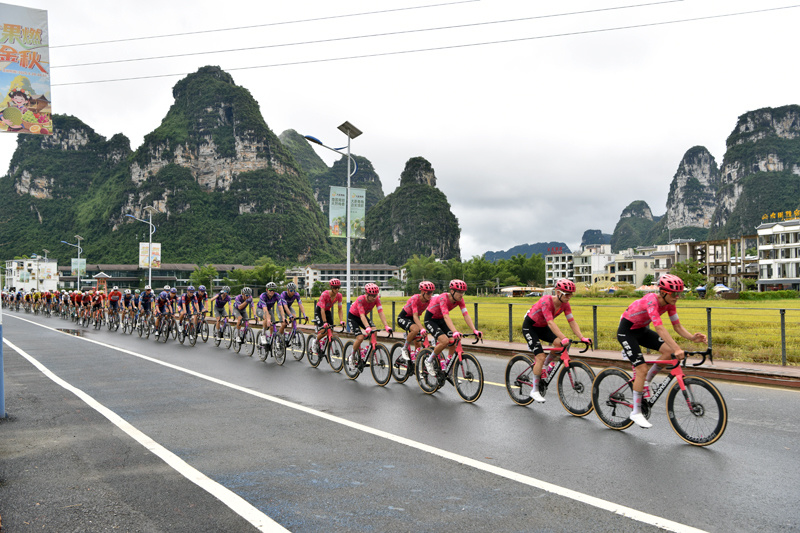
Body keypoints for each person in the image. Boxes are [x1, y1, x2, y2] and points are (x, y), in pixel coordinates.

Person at [617, 273, 707, 428]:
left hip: (642, 330)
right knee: (641, 368)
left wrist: (692, 338)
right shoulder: (651, 300)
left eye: (680, 293)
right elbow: (659, 327)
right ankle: (636, 412)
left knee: (668, 353)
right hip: (627, 331)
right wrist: (677, 348)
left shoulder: (670, 303)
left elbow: (677, 326)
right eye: (674, 293)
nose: (677, 296)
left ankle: (645, 382)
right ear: (663, 292)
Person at [522, 279, 592, 403]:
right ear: (557, 292)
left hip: (542, 328)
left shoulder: (565, 304)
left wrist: (582, 337)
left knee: (559, 345)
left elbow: (572, 321)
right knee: (540, 356)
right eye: (567, 294)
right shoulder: (546, 301)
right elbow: (550, 322)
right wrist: (564, 337)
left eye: (571, 294)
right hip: (530, 327)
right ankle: (535, 390)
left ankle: (544, 365)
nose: (569, 297)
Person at [423, 279, 482, 378]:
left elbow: (466, 315)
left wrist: (474, 330)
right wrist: (455, 331)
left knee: (454, 341)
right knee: (444, 341)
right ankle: (428, 361)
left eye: (463, 292)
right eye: (459, 292)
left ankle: (447, 366)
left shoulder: (460, 300)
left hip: (440, 319)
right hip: (431, 319)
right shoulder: (443, 298)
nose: (461, 294)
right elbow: (446, 316)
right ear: (452, 291)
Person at [346, 283, 392, 368]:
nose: (374, 298)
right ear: (367, 294)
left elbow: (380, 312)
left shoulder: (376, 299)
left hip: (362, 317)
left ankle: (370, 354)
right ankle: (351, 356)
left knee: (374, 331)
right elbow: (362, 315)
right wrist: (367, 327)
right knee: (360, 338)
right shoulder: (360, 299)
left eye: (376, 295)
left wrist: (386, 326)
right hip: (353, 317)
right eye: (372, 295)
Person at [396, 281, 436, 362]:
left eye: (431, 293)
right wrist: (421, 328)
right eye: (428, 293)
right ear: (422, 292)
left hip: (414, 318)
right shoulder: (415, 298)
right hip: (404, 317)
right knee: (415, 329)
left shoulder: (430, 300)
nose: (430, 295)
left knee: (418, 343)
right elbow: (415, 316)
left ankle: (415, 364)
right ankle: (404, 348)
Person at [311, 278, 345, 356]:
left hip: (327, 311)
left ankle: (323, 343)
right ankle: (315, 341)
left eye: (338, 287)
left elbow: (340, 309)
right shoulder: (325, 294)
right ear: (331, 287)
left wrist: (341, 320)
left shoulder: (339, 296)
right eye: (335, 287)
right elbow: (322, 310)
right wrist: (325, 322)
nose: (337, 289)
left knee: (331, 330)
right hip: (319, 310)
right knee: (324, 329)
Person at [256, 282, 284, 349]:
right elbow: (264, 309)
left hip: (269, 309)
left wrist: (283, 317)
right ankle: (263, 334)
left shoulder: (277, 296)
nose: (272, 292)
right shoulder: (263, 296)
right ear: (266, 290)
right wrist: (268, 319)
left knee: (273, 324)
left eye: (273, 290)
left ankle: (272, 338)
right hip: (260, 309)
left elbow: (280, 306)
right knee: (267, 318)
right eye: (270, 290)